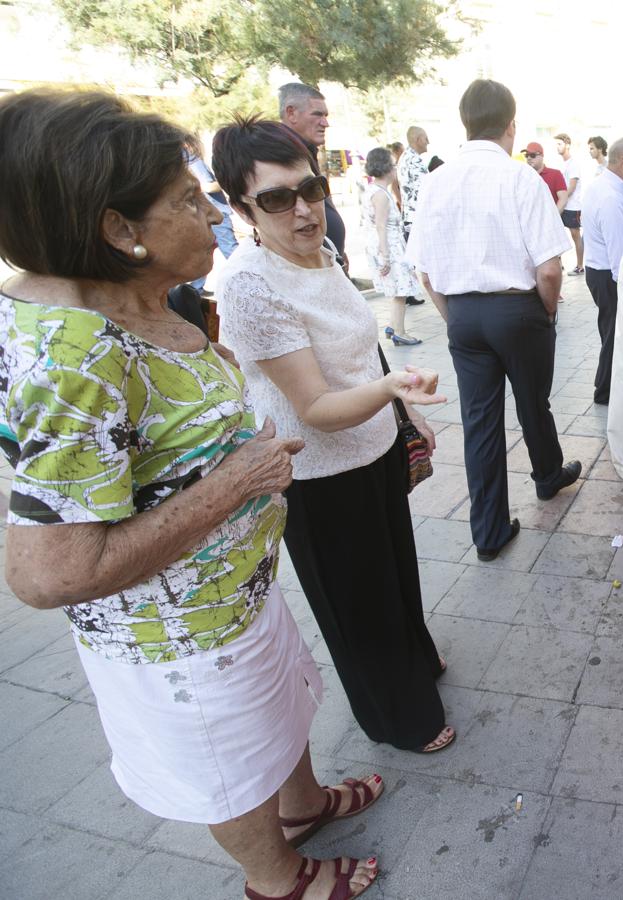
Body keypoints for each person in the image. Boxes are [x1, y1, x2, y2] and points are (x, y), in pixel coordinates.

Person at [0, 89, 381, 900]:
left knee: (279, 714)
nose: (214, 214)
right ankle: (279, 879)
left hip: (237, 597)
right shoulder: (70, 360)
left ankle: (305, 808)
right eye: (189, 200)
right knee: (232, 762)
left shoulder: (125, 298)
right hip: (184, 639)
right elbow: (49, 575)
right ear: (120, 231)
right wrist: (233, 484)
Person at [212, 117, 456, 759]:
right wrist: (395, 390)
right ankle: (398, 717)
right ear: (242, 208)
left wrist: (402, 413)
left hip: (372, 447)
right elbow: (315, 405)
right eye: (276, 199)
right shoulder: (249, 285)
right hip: (319, 474)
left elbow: (360, 347)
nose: (303, 209)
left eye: (311, 188)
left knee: (395, 575)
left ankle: (415, 663)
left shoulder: (321, 252)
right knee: (358, 604)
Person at [406, 79, 582, 558]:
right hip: (517, 309)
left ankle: (488, 532)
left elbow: (424, 272)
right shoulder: (519, 176)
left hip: (463, 313)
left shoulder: (435, 180)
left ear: (465, 124)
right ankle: (547, 475)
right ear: (510, 126)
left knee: (479, 422)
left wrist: (452, 318)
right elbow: (549, 268)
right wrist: (545, 310)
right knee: (532, 402)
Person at [581, 137, 623, 406]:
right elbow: (618, 256)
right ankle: (605, 392)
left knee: (610, 332)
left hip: (599, 270)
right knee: (614, 334)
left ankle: (604, 386)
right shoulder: (611, 197)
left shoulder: (604, 187)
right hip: (607, 274)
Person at [278, 82, 347, 273]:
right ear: (291, 113)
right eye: (317, 114)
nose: (325, 123)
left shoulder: (306, 152)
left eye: (325, 116)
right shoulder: (282, 158)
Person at [361, 146, 424, 346]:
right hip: (390, 248)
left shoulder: (374, 191)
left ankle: (392, 325)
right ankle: (399, 331)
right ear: (387, 168)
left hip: (385, 246)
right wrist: (386, 257)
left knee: (396, 288)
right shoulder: (380, 195)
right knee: (400, 290)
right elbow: (381, 226)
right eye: (393, 165)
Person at [185, 147, 238, 294]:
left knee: (204, 249)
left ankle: (196, 289)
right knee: (232, 251)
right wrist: (228, 181)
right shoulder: (191, 157)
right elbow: (208, 186)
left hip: (203, 211)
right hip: (215, 208)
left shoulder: (184, 157)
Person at [555, 133, 587, 274]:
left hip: (573, 206)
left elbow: (572, 187)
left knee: (575, 236)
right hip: (562, 205)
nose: (557, 147)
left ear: (567, 145)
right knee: (556, 234)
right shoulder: (561, 164)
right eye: (556, 144)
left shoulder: (573, 164)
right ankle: (559, 264)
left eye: (559, 144)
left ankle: (580, 266)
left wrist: (562, 199)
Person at [397, 126, 431, 244]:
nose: (428, 142)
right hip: (416, 219)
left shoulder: (405, 157)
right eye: (426, 138)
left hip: (409, 218)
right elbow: (425, 190)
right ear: (418, 140)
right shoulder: (414, 161)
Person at [525, 140, 568, 205]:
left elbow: (563, 199)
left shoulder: (556, 174)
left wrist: (553, 215)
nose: (528, 158)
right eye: (526, 155)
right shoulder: (524, 176)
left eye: (532, 155)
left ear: (542, 156)